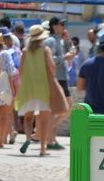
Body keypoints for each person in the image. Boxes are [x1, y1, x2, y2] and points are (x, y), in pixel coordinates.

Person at [15, 25, 66, 155]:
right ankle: (43, 148)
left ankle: (27, 138)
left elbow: (20, 71)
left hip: (28, 86)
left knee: (28, 117)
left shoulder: (25, 51)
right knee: (43, 119)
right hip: (43, 86)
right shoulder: (45, 50)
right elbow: (52, 67)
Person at [44, 17, 75, 151]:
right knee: (63, 109)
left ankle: (48, 135)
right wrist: (64, 57)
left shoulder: (60, 40)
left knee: (62, 109)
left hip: (62, 78)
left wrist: (67, 40)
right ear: (54, 26)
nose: (63, 27)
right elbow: (48, 59)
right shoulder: (50, 40)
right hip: (56, 78)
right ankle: (48, 136)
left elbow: (72, 51)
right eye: (61, 24)